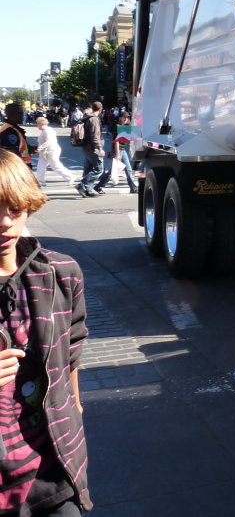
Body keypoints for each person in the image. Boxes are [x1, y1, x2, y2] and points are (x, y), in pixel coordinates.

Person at [0, 149, 92, 514]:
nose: (4, 222)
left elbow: (72, 347)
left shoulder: (59, 272)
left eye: (14, 208)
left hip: (53, 469)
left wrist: (75, 406)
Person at [94, 112, 136, 195]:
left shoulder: (125, 126)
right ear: (120, 118)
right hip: (117, 150)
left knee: (129, 170)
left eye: (127, 117)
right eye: (124, 117)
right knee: (112, 172)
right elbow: (116, 141)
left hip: (123, 150)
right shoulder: (117, 127)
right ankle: (99, 187)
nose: (125, 119)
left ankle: (133, 188)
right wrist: (117, 154)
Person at [33, 118, 74, 188]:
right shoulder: (44, 131)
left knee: (55, 165)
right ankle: (41, 180)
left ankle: (70, 177)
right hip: (45, 151)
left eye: (38, 123)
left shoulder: (47, 131)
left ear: (42, 123)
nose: (37, 125)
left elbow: (49, 141)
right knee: (41, 165)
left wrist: (39, 148)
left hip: (52, 150)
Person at [75, 103, 104, 198]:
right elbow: (95, 136)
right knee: (99, 169)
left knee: (88, 169)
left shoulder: (87, 118)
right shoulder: (94, 119)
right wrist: (100, 148)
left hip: (85, 147)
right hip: (92, 148)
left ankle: (88, 190)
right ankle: (82, 185)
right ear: (100, 110)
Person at [0, 104, 35, 168]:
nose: (23, 116)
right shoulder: (10, 131)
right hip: (17, 170)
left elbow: (19, 147)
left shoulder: (12, 129)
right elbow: (12, 154)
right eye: (22, 113)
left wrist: (30, 148)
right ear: (15, 114)